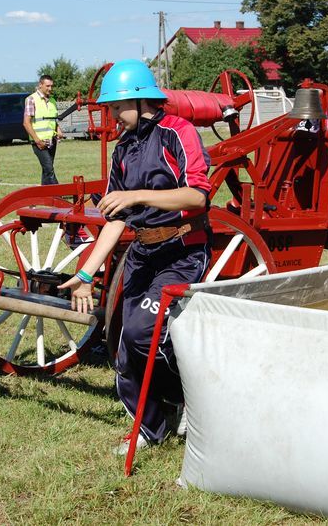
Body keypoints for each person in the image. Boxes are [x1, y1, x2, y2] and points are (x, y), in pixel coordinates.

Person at [57, 59, 212, 454]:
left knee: (146, 335)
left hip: (181, 251)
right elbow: (115, 218)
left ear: (140, 101)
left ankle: (187, 402)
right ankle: (151, 427)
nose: (111, 117)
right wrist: (87, 273)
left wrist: (138, 195)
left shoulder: (179, 133)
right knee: (125, 343)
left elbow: (198, 196)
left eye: (114, 108)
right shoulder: (124, 148)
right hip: (142, 253)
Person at [23, 74, 64, 185]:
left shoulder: (52, 101)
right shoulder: (31, 99)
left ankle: (44, 194)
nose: (50, 88)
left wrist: (58, 129)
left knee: (46, 170)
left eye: (51, 86)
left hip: (52, 141)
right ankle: (59, 194)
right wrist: (37, 141)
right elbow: (26, 123)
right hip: (39, 142)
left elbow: (53, 120)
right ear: (40, 85)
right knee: (49, 169)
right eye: (47, 86)